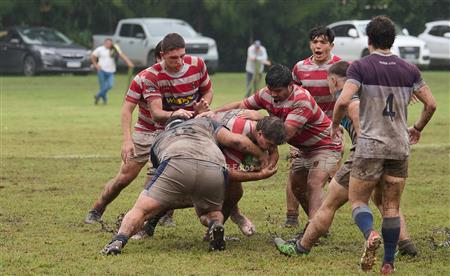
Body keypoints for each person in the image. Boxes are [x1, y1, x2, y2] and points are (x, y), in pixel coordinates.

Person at [274, 61, 418, 260]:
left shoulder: (347, 96)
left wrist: (363, 145)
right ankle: (406, 243)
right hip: (392, 152)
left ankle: (301, 247)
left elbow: (355, 113)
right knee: (384, 200)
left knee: (330, 202)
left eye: (328, 81)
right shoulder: (369, 91)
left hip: (367, 154)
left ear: (333, 80)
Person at [331, 16, 435, 274]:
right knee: (391, 207)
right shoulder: (410, 70)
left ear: (368, 40)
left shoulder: (360, 67)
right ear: (393, 40)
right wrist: (417, 128)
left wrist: (334, 124)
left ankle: (370, 233)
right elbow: (431, 104)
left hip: (369, 147)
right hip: (399, 146)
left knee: (357, 201)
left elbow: (344, 100)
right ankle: (389, 262)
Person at [85, 33, 212, 224]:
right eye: (173, 58)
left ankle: (159, 216)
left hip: (179, 132)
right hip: (147, 132)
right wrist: (127, 140)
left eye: (182, 56)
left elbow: (207, 91)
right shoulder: (147, 77)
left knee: (164, 176)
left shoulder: (197, 65)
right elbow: (140, 111)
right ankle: (98, 208)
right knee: (124, 177)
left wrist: (203, 107)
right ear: (161, 55)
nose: (179, 62)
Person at [101, 116, 270, 255]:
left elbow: (159, 172)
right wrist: (262, 159)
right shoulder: (205, 122)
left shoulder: (160, 138)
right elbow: (236, 141)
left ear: (168, 127)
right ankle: (215, 225)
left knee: (141, 209)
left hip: (176, 162)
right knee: (211, 212)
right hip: (213, 166)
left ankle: (119, 240)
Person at [201, 64, 342, 226]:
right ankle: (318, 223)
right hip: (303, 149)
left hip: (325, 145)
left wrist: (260, 118)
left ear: (291, 86)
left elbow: (283, 134)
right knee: (297, 187)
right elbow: (241, 106)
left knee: (314, 182)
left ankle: (313, 230)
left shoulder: (301, 101)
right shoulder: (267, 93)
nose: (273, 95)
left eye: (278, 91)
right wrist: (213, 114)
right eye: (271, 89)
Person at [284, 26, 342, 227]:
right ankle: (292, 216)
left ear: (331, 45)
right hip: (302, 130)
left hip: (330, 131)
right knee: (296, 174)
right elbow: (292, 98)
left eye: (323, 42)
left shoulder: (341, 67)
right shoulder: (299, 68)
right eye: (315, 42)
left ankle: (320, 219)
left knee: (328, 178)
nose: (318, 46)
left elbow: (351, 98)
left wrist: (342, 123)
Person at [91, 38, 134, 105]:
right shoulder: (100, 49)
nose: (108, 44)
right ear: (104, 43)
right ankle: (104, 101)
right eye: (107, 43)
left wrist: (128, 62)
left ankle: (97, 96)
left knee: (110, 85)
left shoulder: (114, 49)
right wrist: (96, 65)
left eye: (109, 43)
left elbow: (121, 55)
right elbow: (93, 56)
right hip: (101, 70)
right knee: (103, 87)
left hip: (110, 71)